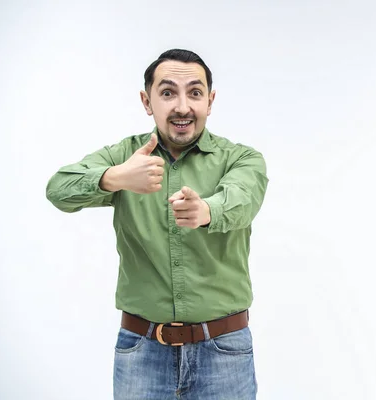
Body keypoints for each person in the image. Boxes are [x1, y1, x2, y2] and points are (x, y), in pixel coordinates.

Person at [46, 49, 268, 399]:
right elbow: (58, 189)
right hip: (142, 351)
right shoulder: (126, 157)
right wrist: (114, 177)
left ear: (210, 101)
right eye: (167, 92)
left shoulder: (242, 159)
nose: (182, 106)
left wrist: (206, 210)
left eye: (194, 92)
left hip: (225, 352)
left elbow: (243, 197)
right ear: (147, 101)